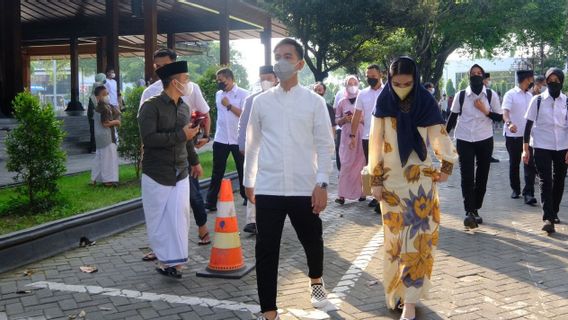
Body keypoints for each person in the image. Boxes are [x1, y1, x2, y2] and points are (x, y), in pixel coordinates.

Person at [244, 38, 335, 320]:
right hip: (269, 187)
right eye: (277, 55)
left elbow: (324, 145)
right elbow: (252, 144)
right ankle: (269, 312)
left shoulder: (314, 102)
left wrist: (322, 183)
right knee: (266, 250)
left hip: (303, 186)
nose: (280, 61)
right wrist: (249, 180)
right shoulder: (261, 102)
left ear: (299, 63)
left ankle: (316, 281)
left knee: (312, 239)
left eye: (287, 56)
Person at [369, 56, 458, 320]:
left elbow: (439, 136)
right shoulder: (383, 102)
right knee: (395, 243)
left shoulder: (425, 102)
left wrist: (446, 165)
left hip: (420, 182)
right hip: (391, 183)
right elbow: (374, 143)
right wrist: (375, 179)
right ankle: (396, 292)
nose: (401, 87)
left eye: (407, 83)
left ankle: (410, 301)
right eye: (396, 83)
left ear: (415, 80)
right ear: (389, 80)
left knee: (418, 244)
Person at [138, 48, 212, 260]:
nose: (188, 82)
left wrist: (195, 161)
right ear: (173, 81)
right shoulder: (149, 104)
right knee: (159, 217)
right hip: (157, 171)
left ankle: (176, 261)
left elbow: (187, 138)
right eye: (184, 78)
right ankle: (163, 256)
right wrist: (180, 135)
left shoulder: (184, 108)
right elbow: (149, 138)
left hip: (181, 170)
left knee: (179, 217)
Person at [446, 64, 503, 229]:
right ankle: (469, 212)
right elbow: (452, 117)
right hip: (464, 139)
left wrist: (485, 110)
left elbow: (498, 118)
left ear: (483, 77)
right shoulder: (461, 95)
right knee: (467, 176)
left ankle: (476, 207)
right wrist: (443, 138)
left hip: (484, 139)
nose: (476, 76)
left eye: (479, 73)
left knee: (482, 177)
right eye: (473, 73)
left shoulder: (491, 95)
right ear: (469, 76)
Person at [522, 67, 568, 234]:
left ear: (561, 82)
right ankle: (548, 217)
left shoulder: (566, 101)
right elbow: (527, 126)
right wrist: (525, 149)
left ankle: (554, 211)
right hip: (541, 145)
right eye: (550, 80)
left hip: (562, 146)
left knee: (560, 179)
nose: (553, 83)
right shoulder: (538, 100)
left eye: (556, 80)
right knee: (545, 180)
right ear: (546, 81)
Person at [237, 65, 278, 235]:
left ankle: (273, 215)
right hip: (256, 149)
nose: (265, 81)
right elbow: (243, 125)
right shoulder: (251, 100)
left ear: (276, 79)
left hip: (276, 151)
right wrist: (242, 146)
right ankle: (252, 221)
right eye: (262, 78)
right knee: (253, 181)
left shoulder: (282, 100)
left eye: (269, 78)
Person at [205, 68, 250, 211]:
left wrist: (229, 105)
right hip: (221, 138)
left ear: (230, 79)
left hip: (238, 139)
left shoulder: (243, 94)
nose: (219, 83)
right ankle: (211, 202)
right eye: (218, 80)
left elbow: (245, 115)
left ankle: (246, 197)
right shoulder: (218, 94)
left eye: (221, 80)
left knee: (242, 169)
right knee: (217, 170)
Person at [350, 64, 385, 210]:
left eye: (373, 76)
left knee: (386, 166)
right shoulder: (362, 94)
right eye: (368, 76)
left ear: (380, 75)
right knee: (373, 167)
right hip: (367, 137)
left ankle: (383, 198)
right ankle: (377, 197)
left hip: (386, 137)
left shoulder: (389, 92)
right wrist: (352, 135)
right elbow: (356, 116)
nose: (370, 79)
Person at [502, 70, 537, 205]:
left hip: (528, 137)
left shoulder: (530, 96)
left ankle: (529, 193)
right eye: (531, 78)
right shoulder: (510, 94)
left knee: (529, 164)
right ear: (526, 79)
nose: (532, 81)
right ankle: (515, 189)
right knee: (514, 163)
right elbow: (505, 113)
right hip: (513, 136)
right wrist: (509, 124)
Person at [335, 75, 365, 204]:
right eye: (349, 83)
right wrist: (343, 120)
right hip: (346, 134)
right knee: (346, 163)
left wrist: (358, 119)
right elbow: (336, 120)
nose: (352, 85)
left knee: (360, 163)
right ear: (345, 86)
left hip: (361, 133)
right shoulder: (342, 101)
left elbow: (369, 117)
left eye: (355, 83)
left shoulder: (363, 98)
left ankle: (362, 193)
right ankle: (341, 194)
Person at [91, 85, 120, 186]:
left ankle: (94, 179)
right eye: (104, 94)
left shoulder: (99, 107)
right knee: (109, 159)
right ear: (98, 96)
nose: (107, 96)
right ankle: (108, 181)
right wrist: (116, 121)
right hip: (107, 138)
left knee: (99, 159)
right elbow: (105, 123)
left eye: (107, 94)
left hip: (99, 137)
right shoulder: (104, 108)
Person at [88, 73, 107, 153]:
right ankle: (94, 148)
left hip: (98, 116)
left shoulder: (99, 97)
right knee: (94, 132)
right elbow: (92, 111)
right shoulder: (93, 98)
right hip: (95, 117)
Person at [484, 73, 501, 163]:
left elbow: (499, 115)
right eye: (488, 79)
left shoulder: (490, 93)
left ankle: (489, 156)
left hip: (488, 121)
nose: (489, 81)